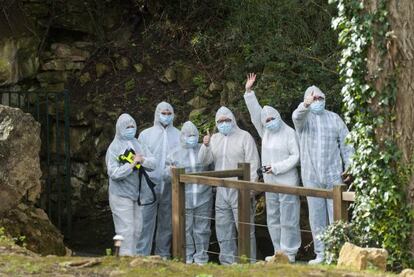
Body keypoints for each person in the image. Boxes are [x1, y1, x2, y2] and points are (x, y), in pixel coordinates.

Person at [292, 86, 354, 264]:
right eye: (313, 98)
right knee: (316, 216)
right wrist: (305, 104)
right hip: (311, 175)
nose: (317, 101)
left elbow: (347, 143)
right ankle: (321, 253)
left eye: (320, 98)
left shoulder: (334, 119)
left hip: (333, 175)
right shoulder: (303, 120)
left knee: (337, 215)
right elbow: (296, 116)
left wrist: (349, 166)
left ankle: (339, 253)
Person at [243, 73, 301, 263]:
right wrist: (249, 92)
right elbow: (255, 114)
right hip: (270, 183)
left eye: (272, 119)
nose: (269, 122)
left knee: (289, 218)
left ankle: (289, 253)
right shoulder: (265, 132)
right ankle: (278, 252)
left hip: (287, 182)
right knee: (273, 217)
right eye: (266, 121)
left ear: (278, 117)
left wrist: (275, 167)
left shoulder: (289, 133)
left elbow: (295, 157)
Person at [198, 106, 260, 265]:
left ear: (233, 120)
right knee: (223, 228)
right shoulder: (214, 139)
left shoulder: (244, 137)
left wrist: (251, 187)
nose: (224, 123)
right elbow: (204, 161)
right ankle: (227, 263)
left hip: (241, 189)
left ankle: (249, 263)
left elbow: (253, 162)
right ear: (216, 123)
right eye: (220, 121)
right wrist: (205, 145)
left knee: (245, 228)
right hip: (221, 190)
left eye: (227, 120)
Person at [105, 113, 156, 256]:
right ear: (119, 128)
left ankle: (133, 259)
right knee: (125, 230)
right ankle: (125, 261)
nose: (130, 129)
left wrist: (143, 160)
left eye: (132, 126)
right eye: (127, 126)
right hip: (120, 195)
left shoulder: (138, 144)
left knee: (137, 229)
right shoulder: (114, 148)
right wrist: (131, 165)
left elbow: (154, 163)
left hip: (137, 194)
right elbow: (113, 172)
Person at [136, 102, 181, 258]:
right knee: (144, 222)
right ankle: (141, 255)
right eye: (164, 113)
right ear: (157, 113)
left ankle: (162, 256)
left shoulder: (179, 135)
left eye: (169, 113)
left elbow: (181, 159)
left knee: (166, 223)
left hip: (170, 185)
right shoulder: (145, 135)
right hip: (149, 185)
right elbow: (140, 160)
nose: (166, 116)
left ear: (173, 115)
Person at [166, 121, 213, 265]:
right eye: (188, 135)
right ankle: (186, 258)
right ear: (182, 136)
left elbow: (211, 166)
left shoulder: (203, 149)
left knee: (203, 229)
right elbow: (166, 174)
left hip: (204, 197)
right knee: (185, 229)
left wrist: (206, 146)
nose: (192, 137)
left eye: (194, 135)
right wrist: (171, 172)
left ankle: (201, 259)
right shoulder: (174, 153)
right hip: (184, 198)